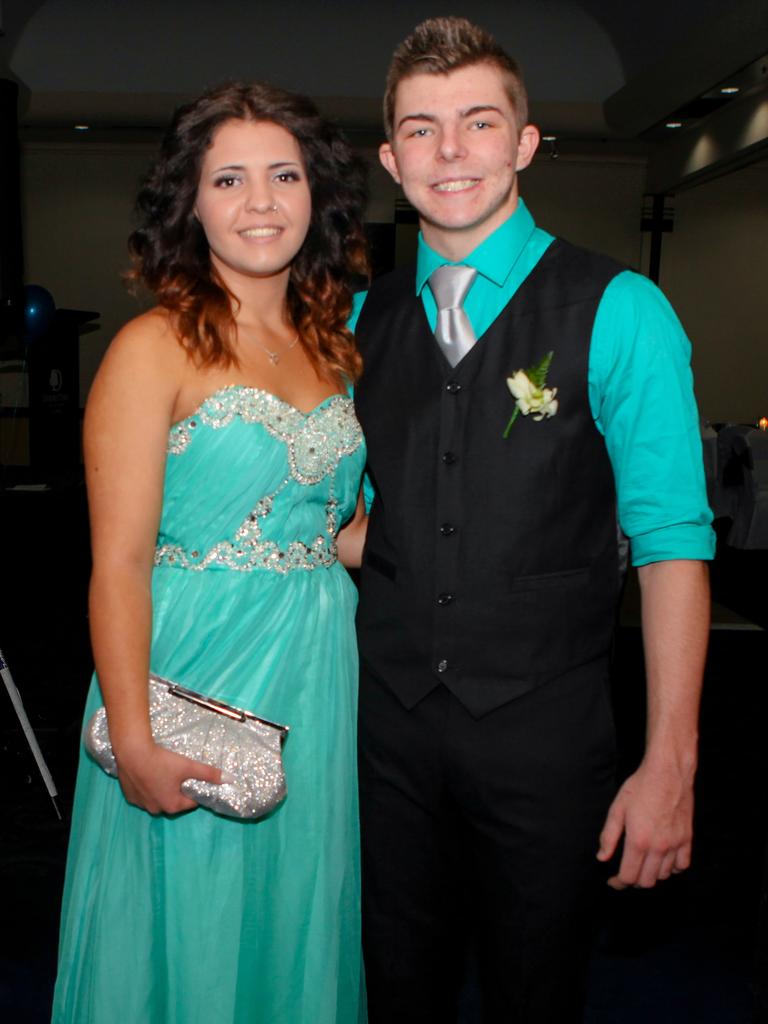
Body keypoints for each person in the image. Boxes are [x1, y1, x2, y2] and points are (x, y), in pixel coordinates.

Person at [351, 16, 714, 1023]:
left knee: (536, 995)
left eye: (478, 121)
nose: (451, 151)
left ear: (525, 142)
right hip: (384, 733)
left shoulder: (620, 307)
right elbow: (347, 518)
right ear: (391, 159)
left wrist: (670, 762)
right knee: (394, 991)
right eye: (421, 130)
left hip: (546, 734)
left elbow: (673, 544)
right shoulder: (354, 323)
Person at [52, 82, 369, 1024]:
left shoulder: (334, 347)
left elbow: (339, 531)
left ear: (318, 196)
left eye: (284, 175)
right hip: (196, 663)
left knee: (295, 905)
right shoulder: (154, 347)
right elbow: (115, 562)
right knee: (187, 911)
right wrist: (135, 737)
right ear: (190, 202)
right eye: (228, 179)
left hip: (317, 669)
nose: (260, 201)